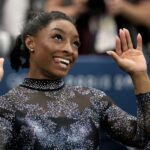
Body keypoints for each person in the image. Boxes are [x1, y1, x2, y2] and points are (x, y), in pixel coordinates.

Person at [0, 11, 150, 149]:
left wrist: (140, 75)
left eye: (75, 43)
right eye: (58, 37)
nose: (69, 50)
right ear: (30, 43)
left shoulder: (94, 100)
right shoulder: (7, 106)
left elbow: (142, 137)